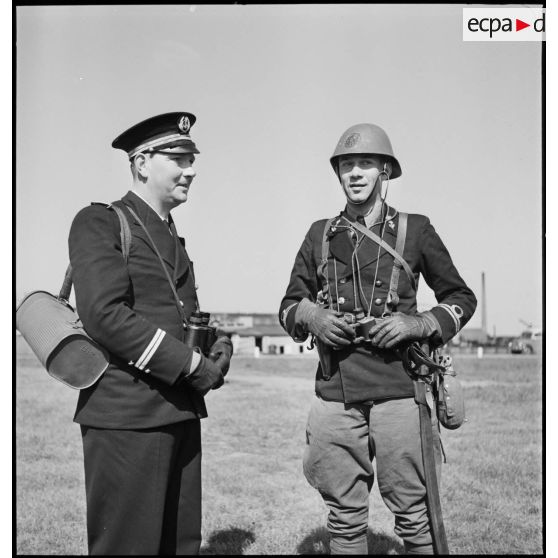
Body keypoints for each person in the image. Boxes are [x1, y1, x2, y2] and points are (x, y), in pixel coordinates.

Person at [278, 123, 477, 555]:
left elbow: (461, 297)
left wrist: (418, 324)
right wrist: (311, 315)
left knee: (413, 513)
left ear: (384, 170)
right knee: (344, 518)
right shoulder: (319, 234)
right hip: (335, 393)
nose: (355, 173)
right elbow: (288, 305)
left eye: (365, 163)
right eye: (347, 164)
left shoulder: (416, 230)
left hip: (398, 391)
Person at [68, 112, 233, 555]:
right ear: (142, 163)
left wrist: (216, 345)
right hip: (128, 418)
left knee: (179, 544)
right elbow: (104, 315)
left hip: (178, 411)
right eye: (179, 158)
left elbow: (177, 315)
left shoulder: (169, 234)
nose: (191, 169)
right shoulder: (99, 222)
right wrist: (189, 364)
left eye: (192, 158)